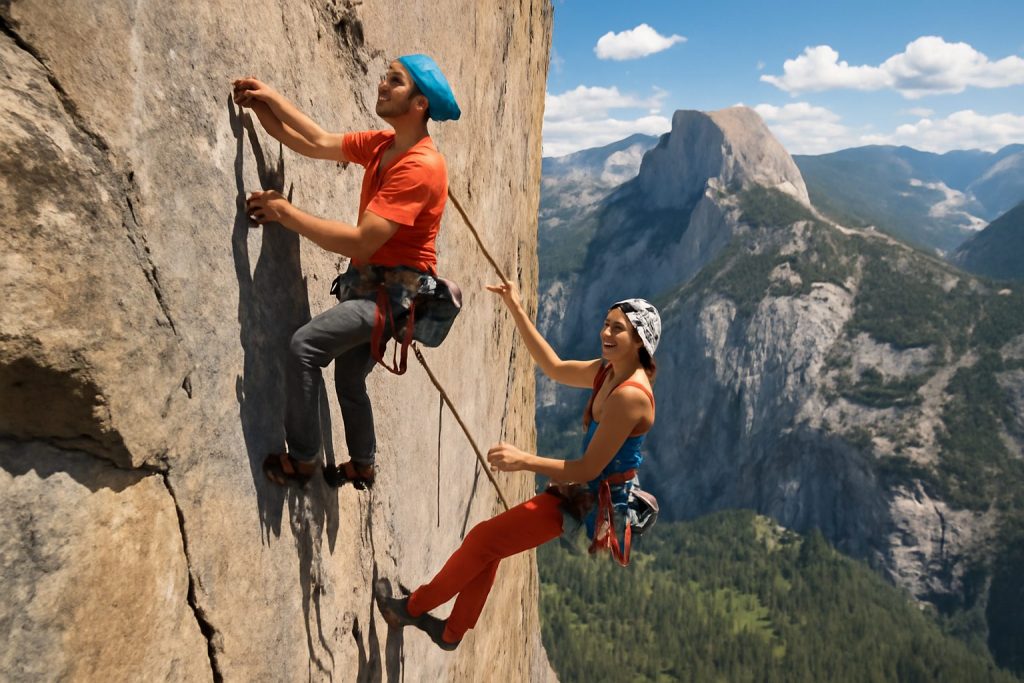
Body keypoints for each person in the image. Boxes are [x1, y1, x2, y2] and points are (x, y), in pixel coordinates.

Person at [375, 283, 661, 650]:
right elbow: (554, 367)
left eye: (617, 328)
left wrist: (523, 460)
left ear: (640, 341)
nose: (606, 333)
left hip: (591, 501)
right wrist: (515, 306)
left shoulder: (631, 396)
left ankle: (411, 609)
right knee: (490, 545)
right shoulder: (608, 371)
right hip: (583, 491)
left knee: (482, 541)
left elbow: (588, 469)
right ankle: (450, 633)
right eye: (606, 324)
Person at [231, 55, 460, 488]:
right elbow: (316, 141)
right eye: (386, 76)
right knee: (350, 377)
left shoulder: (421, 167)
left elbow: (361, 243)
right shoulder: (385, 144)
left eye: (395, 81)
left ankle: (302, 461)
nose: (382, 84)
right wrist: (267, 103)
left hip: (391, 298)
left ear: (419, 105)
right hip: (373, 287)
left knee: (304, 348)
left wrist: (284, 213)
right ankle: (362, 464)